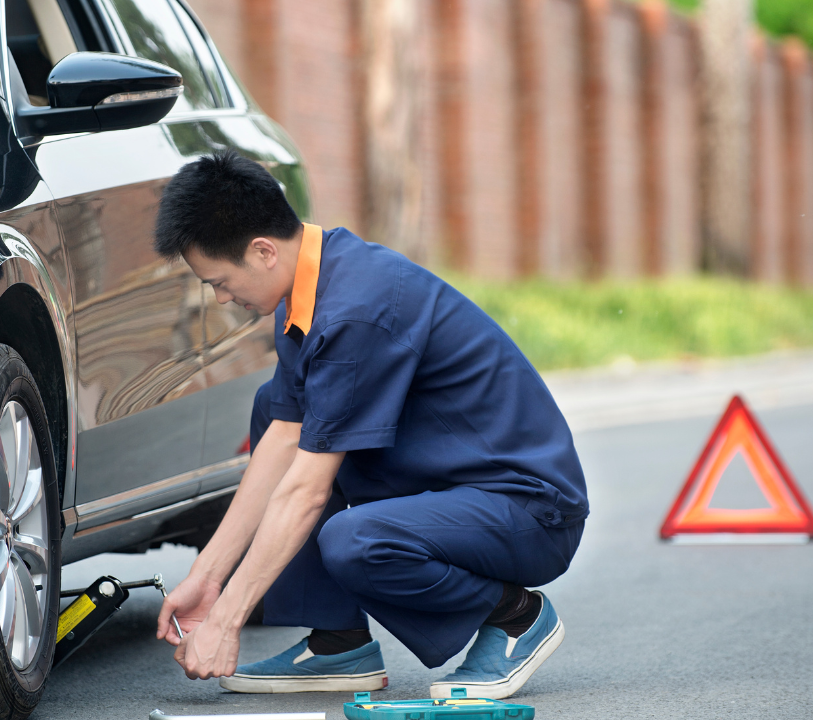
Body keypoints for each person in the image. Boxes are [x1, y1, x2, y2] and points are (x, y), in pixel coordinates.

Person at [152, 153, 589, 699]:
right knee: (274, 411)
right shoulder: (309, 290)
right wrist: (208, 579)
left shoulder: (355, 310)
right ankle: (340, 643)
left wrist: (227, 621)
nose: (220, 297)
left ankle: (516, 617)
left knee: (355, 541)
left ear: (263, 251)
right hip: (453, 487)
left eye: (219, 281)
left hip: (528, 510)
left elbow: (307, 491)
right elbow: (284, 442)